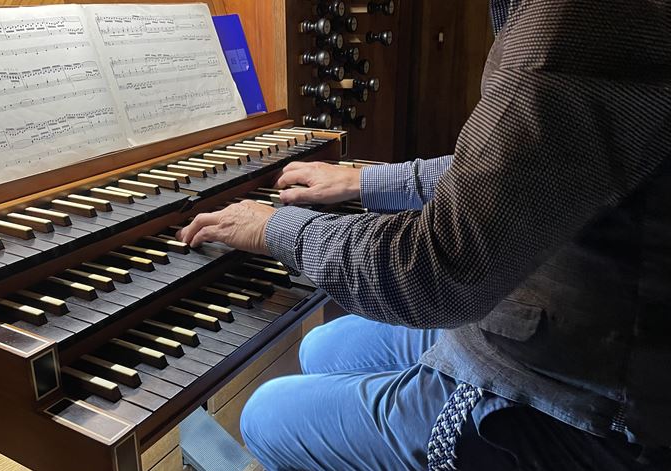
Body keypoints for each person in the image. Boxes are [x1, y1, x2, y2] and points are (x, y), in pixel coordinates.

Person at [178, 0, 671, 469]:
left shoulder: (583, 20)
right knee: (323, 347)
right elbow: (526, 166)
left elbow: (435, 272)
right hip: (545, 316)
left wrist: (276, 229)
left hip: (585, 401)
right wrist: (368, 181)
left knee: (265, 415)